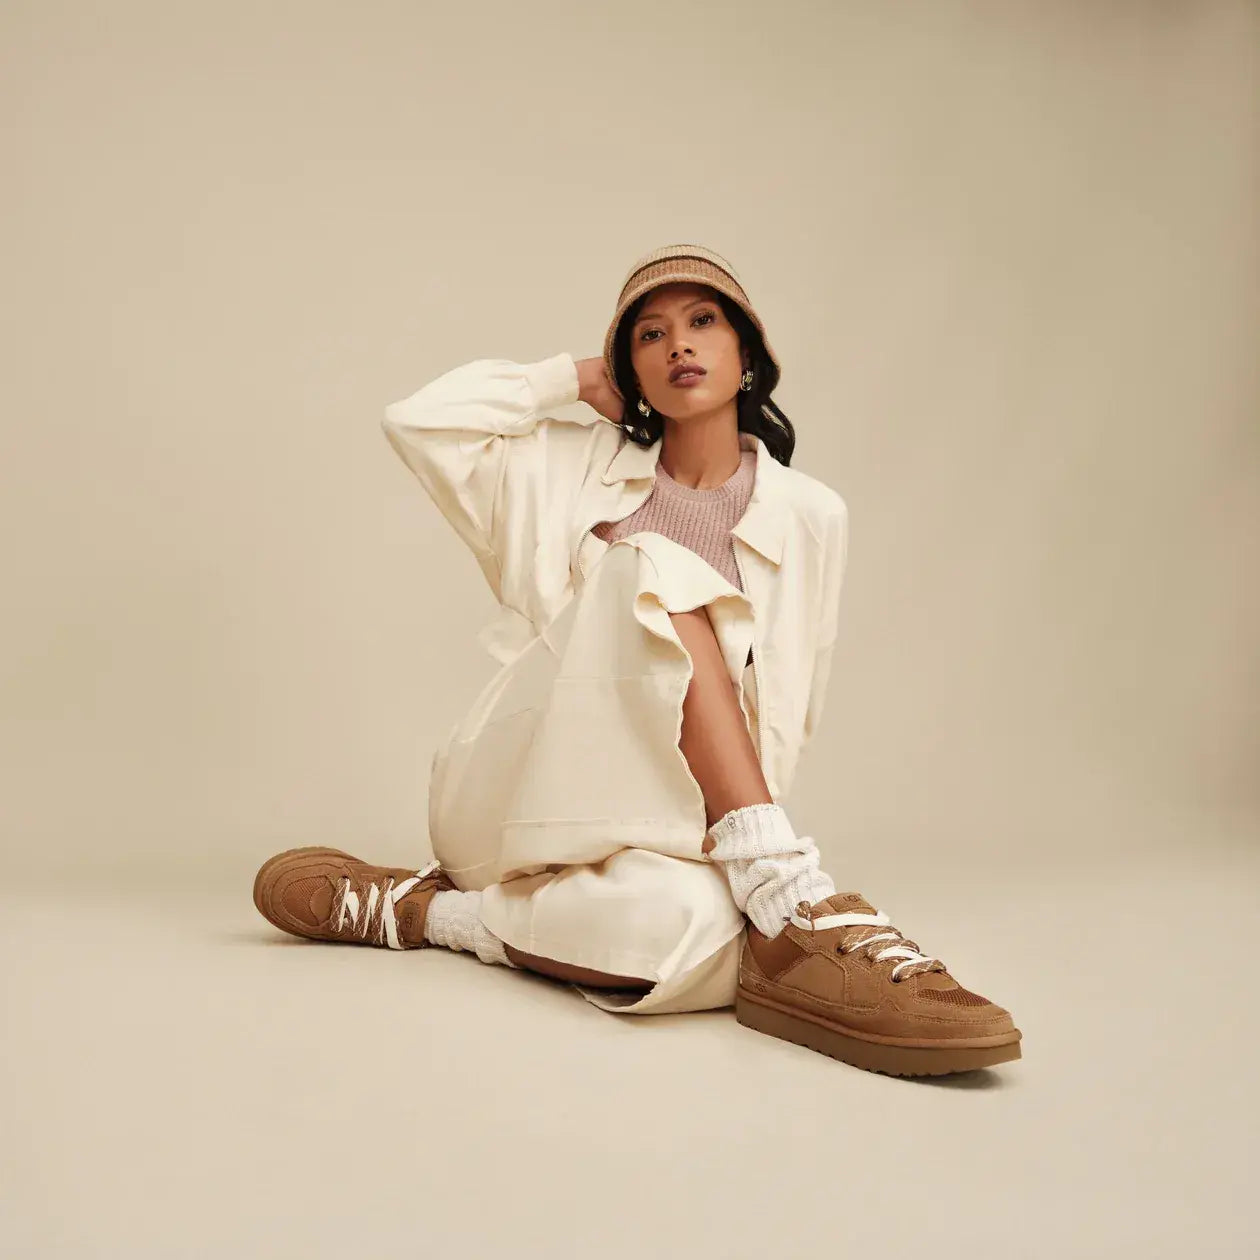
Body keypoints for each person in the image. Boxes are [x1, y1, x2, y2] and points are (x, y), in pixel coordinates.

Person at [253, 244, 1022, 1076]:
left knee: (693, 932)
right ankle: (789, 894)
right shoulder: (571, 469)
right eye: (650, 335)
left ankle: (431, 915)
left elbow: (786, 707)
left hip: (671, 827)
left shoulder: (811, 514)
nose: (679, 344)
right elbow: (417, 421)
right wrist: (572, 378)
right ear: (632, 369)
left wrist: (715, 854)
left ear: (747, 353)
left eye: (703, 322)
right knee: (652, 563)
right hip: (522, 795)